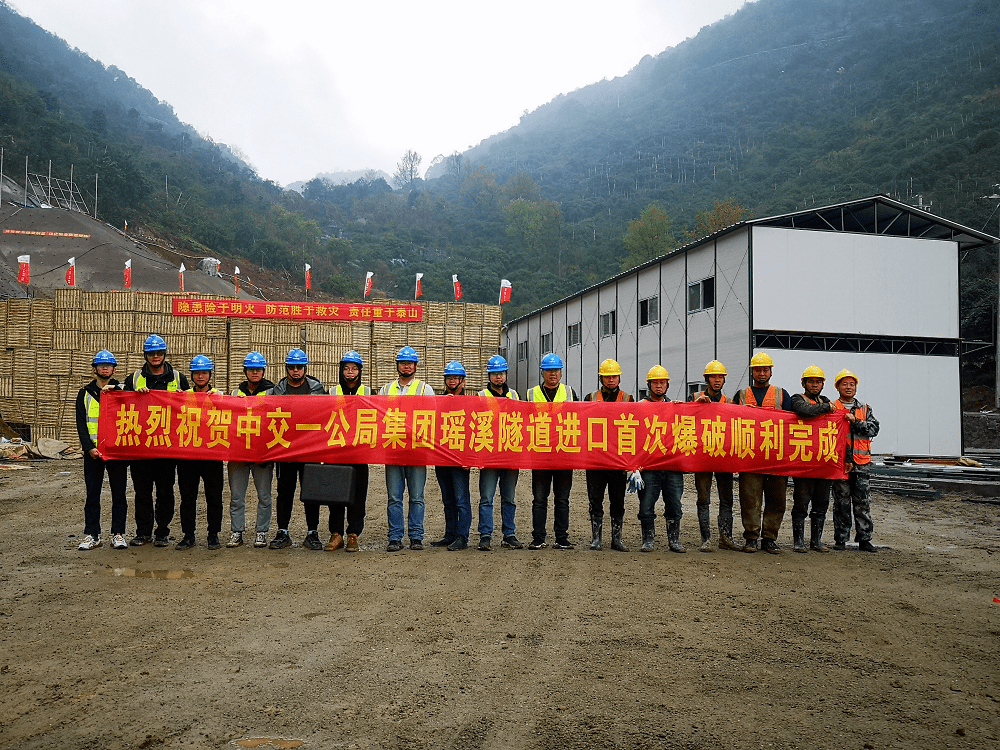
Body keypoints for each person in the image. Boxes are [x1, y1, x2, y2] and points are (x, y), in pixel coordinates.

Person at [124, 334, 189, 546]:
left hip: (167, 449)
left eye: (159, 353)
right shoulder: (133, 380)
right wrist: (134, 394)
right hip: (141, 448)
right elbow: (121, 407)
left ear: (164, 354)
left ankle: (162, 531)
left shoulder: (178, 378)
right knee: (142, 492)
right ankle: (143, 532)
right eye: (151, 353)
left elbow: (192, 411)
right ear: (146, 355)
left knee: (165, 492)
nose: (155, 356)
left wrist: (183, 396)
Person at [732, 352, 793, 555]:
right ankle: (751, 537)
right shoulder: (740, 395)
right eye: (757, 370)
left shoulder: (782, 394)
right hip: (749, 456)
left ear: (771, 371)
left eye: (765, 369)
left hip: (776, 457)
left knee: (777, 499)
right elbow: (729, 423)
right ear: (752, 372)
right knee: (750, 498)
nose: (761, 373)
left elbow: (794, 424)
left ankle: (769, 538)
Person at [267, 348, 327, 550]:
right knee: (284, 491)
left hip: (309, 450)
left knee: (311, 491)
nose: (295, 371)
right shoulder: (278, 390)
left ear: (305, 368)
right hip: (286, 450)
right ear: (286, 369)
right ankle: (282, 531)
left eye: (299, 367)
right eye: (291, 367)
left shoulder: (317, 389)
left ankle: (313, 532)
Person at [378, 345, 435, 552]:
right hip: (393, 450)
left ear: (416, 366)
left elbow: (433, 418)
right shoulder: (385, 389)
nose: (406, 366)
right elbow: (379, 418)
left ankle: (416, 536)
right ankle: (395, 537)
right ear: (398, 366)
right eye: (403, 363)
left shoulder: (425, 389)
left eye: (410, 363)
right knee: (394, 497)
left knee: (417, 496)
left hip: (417, 451)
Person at [75, 350, 128, 550]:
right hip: (93, 454)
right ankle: (92, 534)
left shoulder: (122, 391)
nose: (105, 368)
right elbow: (81, 424)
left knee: (119, 495)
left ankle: (118, 533)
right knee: (92, 495)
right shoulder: (85, 393)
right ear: (95, 369)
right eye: (101, 365)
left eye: (108, 365)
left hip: (116, 453)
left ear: (114, 369)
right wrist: (89, 448)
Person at [526, 353, 579, 550]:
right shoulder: (531, 393)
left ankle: (561, 537)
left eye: (556, 370)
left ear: (561, 372)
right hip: (540, 455)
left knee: (562, 499)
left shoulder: (570, 392)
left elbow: (581, 419)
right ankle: (538, 537)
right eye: (549, 371)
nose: (553, 374)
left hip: (564, 454)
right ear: (542, 372)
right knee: (539, 499)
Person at [583, 359, 634, 552]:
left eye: (614, 376)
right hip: (595, 460)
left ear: (619, 378)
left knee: (617, 501)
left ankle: (616, 539)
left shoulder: (628, 399)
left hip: (618, 461)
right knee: (595, 500)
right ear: (601, 378)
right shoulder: (590, 397)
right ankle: (596, 538)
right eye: (607, 376)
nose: (611, 380)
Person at [175, 355, 225, 550]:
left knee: (214, 496)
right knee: (188, 496)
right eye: (197, 373)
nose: (201, 376)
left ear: (210, 374)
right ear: (192, 375)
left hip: (212, 453)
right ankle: (188, 535)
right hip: (188, 455)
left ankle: (213, 535)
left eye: (204, 372)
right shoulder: (182, 396)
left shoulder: (220, 396)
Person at [227, 351, 275, 548]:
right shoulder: (234, 393)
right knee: (237, 496)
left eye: (258, 369)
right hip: (238, 453)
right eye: (251, 369)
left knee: (264, 496)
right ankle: (237, 531)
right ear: (245, 371)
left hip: (262, 453)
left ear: (263, 371)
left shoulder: (273, 392)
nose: (255, 373)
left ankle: (261, 532)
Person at [476, 354, 523, 551]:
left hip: (510, 454)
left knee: (509, 498)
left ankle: (508, 534)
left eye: (501, 373)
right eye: (495, 374)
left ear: (506, 374)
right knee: (486, 497)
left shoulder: (514, 395)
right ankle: (485, 535)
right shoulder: (481, 396)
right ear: (489, 375)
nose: (498, 377)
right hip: (488, 455)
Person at [636, 365, 685, 553]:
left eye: (662, 382)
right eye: (655, 382)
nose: (658, 386)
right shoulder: (640, 407)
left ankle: (674, 540)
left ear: (667, 385)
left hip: (672, 467)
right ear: (649, 384)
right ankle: (648, 540)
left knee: (675, 505)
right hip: (649, 468)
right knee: (646, 505)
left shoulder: (677, 408)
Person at [831, 369, 880, 553]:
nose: (849, 387)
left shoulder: (864, 409)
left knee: (862, 502)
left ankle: (865, 539)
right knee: (841, 502)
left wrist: (856, 422)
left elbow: (874, 429)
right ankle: (841, 539)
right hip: (840, 464)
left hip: (861, 463)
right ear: (837, 387)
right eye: (845, 384)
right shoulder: (832, 407)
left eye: (852, 384)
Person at [691, 360, 739, 552]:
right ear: (706, 379)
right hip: (702, 457)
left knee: (726, 499)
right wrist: (696, 406)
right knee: (703, 499)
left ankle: (725, 538)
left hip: (723, 457)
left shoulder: (729, 403)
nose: (717, 380)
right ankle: (706, 539)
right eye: (713, 376)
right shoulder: (694, 397)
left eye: (720, 377)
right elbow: (682, 418)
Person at [789, 365, 837, 553]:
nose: (815, 385)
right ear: (804, 383)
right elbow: (804, 411)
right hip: (804, 461)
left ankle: (816, 541)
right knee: (801, 503)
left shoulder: (827, 402)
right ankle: (798, 541)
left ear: (823, 384)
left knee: (821, 504)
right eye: (811, 381)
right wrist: (826, 408)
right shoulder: (797, 399)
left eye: (818, 382)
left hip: (823, 462)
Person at [326, 350, 370, 553]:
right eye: (347, 368)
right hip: (337, 451)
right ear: (341, 371)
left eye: (354, 368)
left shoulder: (369, 392)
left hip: (360, 452)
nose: (350, 372)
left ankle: (353, 533)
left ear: (360, 371)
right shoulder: (332, 392)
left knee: (358, 494)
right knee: (335, 493)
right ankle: (336, 534)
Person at [431, 360, 473, 551]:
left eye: (456, 378)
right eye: (449, 377)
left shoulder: (471, 404)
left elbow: (475, 431)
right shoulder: (438, 402)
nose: (452, 381)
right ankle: (450, 534)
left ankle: (462, 536)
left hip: (460, 459)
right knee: (448, 499)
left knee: (461, 499)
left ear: (463, 381)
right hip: (442, 458)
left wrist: (470, 458)